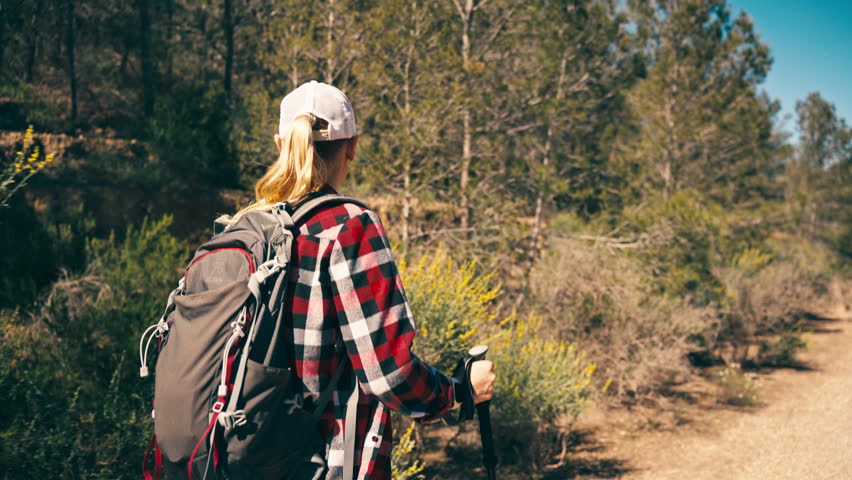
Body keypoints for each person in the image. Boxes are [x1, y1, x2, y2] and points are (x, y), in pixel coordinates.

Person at [233, 80, 496, 479]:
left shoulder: (243, 228)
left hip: (239, 457)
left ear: (279, 144)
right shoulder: (349, 227)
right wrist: (459, 390)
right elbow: (387, 374)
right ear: (352, 145)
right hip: (324, 464)